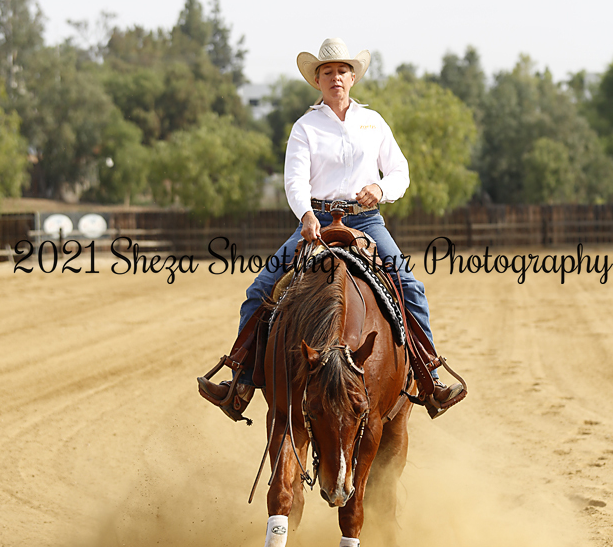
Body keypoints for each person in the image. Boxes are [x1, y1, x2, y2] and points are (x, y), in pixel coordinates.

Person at [198, 37, 464, 419]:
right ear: (317, 80)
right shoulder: (305, 127)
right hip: (317, 221)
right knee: (261, 288)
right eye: (327, 72)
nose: (335, 77)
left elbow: (400, 171)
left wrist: (380, 189)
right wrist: (305, 214)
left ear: (353, 77)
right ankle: (240, 381)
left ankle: (429, 379)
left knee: (409, 285)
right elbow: (294, 181)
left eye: (342, 70)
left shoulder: (373, 122)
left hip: (366, 220)